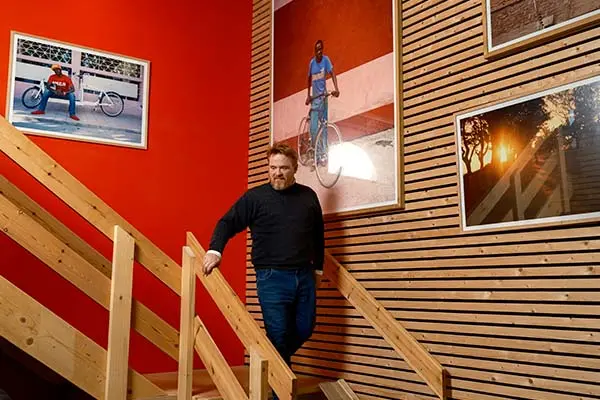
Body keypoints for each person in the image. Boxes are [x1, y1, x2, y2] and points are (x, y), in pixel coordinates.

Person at [203, 143, 324, 399]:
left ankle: (270, 363)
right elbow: (227, 223)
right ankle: (281, 394)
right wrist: (215, 251)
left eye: (284, 168)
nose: (277, 173)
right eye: (273, 168)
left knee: (305, 328)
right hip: (271, 278)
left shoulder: (308, 196)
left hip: (305, 275)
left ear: (295, 169)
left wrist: (319, 269)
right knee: (278, 335)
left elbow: (318, 235)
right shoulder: (254, 198)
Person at [305, 39, 340, 166]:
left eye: (320, 49)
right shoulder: (312, 63)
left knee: (324, 127)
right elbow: (309, 79)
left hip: (323, 98)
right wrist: (308, 95)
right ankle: (317, 153)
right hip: (315, 99)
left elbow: (333, 74)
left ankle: (323, 154)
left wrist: (336, 89)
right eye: (317, 50)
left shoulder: (326, 60)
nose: (319, 52)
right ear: (314, 51)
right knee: (314, 129)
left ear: (322, 50)